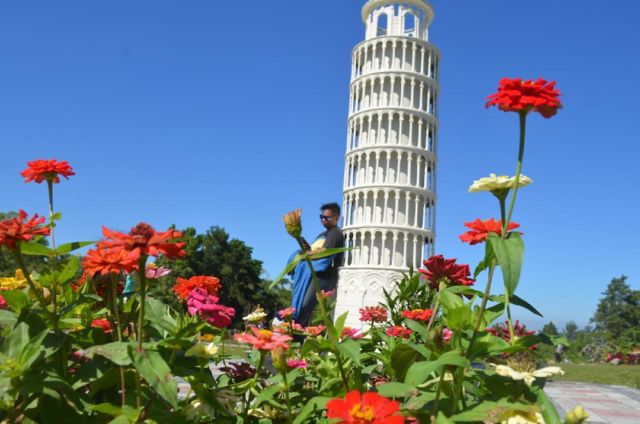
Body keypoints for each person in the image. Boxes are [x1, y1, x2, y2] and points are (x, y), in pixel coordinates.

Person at [295, 202, 344, 327]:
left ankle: (299, 338)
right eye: (321, 217)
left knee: (306, 305)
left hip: (324, 276)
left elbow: (325, 251)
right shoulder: (322, 235)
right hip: (314, 274)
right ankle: (299, 335)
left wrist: (309, 254)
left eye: (326, 217)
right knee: (301, 305)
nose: (323, 219)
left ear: (336, 217)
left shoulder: (335, 233)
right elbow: (314, 250)